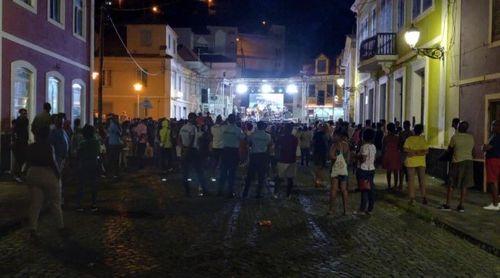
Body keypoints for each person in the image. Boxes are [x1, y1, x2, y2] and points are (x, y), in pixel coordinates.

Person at [25, 127, 64, 240]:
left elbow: (27, 161)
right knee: (55, 202)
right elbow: (52, 161)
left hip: (33, 173)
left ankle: (32, 229)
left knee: (35, 203)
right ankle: (60, 226)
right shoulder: (48, 146)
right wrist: (58, 175)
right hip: (47, 173)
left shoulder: (31, 147)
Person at [439, 121, 474, 212]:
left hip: (457, 162)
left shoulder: (455, 137)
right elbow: (473, 152)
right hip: (469, 162)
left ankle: (448, 205)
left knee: (451, 184)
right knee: (464, 185)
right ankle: (461, 206)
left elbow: (449, 150)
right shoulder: (471, 138)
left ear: (459, 127)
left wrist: (440, 158)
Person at [179, 113, 208, 197]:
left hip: (184, 149)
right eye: (195, 118)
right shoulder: (193, 128)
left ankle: (186, 191)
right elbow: (191, 141)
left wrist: (183, 149)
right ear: (193, 118)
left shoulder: (183, 127)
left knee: (185, 172)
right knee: (199, 170)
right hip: (192, 151)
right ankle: (204, 189)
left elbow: (179, 139)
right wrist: (187, 150)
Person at [242, 121, 272, 199]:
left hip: (254, 156)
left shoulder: (253, 135)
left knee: (250, 175)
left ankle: (245, 192)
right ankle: (258, 193)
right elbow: (269, 145)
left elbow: (248, 142)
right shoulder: (268, 136)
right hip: (263, 156)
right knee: (261, 175)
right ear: (264, 127)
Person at [217, 114, 245, 198]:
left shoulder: (223, 128)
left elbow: (219, 132)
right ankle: (230, 192)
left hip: (225, 151)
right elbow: (243, 138)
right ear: (235, 120)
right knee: (232, 173)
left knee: (223, 172)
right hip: (233, 152)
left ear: (228, 120)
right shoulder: (238, 130)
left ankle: (220, 191)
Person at [76, 125, 101, 212]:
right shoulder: (96, 142)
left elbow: (78, 154)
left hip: (83, 164)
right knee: (93, 185)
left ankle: (80, 205)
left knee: (81, 185)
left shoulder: (82, 143)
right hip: (94, 164)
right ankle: (93, 204)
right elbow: (99, 152)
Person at [404, 124, 429, 205]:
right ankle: (424, 197)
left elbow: (405, 149)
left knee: (411, 180)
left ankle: (412, 198)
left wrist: (413, 152)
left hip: (411, 161)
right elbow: (426, 151)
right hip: (421, 162)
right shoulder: (423, 140)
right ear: (421, 131)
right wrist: (419, 152)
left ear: (414, 130)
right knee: (422, 180)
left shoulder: (409, 139)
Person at [329, 128, 350, 215]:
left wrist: (337, 158)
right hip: (344, 170)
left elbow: (331, 156)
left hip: (335, 169)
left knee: (334, 190)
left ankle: (331, 209)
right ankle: (346, 210)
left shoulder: (334, 145)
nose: (333, 136)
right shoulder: (346, 145)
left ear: (338, 136)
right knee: (344, 190)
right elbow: (348, 158)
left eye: (334, 135)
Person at [275, 123, 298, 198]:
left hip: (282, 159)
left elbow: (277, 147)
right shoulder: (294, 138)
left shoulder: (281, 138)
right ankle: (288, 194)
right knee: (290, 178)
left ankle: (276, 192)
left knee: (279, 177)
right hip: (292, 159)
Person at [356, 129, 376, 214]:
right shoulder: (373, 146)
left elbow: (363, 159)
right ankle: (370, 208)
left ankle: (362, 209)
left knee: (364, 190)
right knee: (370, 189)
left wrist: (356, 156)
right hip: (371, 169)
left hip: (363, 170)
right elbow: (374, 158)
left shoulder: (364, 147)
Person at [483, 120, 500, 211]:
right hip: (496, 159)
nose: (492, 127)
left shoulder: (495, 137)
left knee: (492, 182)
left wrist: (484, 147)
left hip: (493, 160)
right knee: (495, 181)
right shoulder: (494, 136)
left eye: (494, 125)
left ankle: (495, 203)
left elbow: (486, 148)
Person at [382, 123, 401, 190]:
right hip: (396, 154)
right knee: (396, 171)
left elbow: (383, 148)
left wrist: (383, 156)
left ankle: (389, 185)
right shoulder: (397, 137)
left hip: (388, 154)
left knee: (389, 171)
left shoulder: (386, 137)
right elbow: (399, 147)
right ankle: (395, 185)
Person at [12, 108, 29, 183]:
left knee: (21, 159)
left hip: (23, 143)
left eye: (25, 113)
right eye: (23, 113)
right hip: (19, 143)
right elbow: (15, 132)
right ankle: (16, 175)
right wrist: (16, 140)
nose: (25, 115)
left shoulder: (24, 122)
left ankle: (17, 174)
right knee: (19, 159)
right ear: (20, 114)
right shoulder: (19, 122)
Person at [398, 121, 413, 191]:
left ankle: (401, 185)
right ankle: (408, 185)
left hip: (403, 154)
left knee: (402, 171)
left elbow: (399, 144)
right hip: (409, 154)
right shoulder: (412, 134)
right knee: (409, 171)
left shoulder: (401, 133)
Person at [107, 115, 122, 179]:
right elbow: (119, 133)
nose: (118, 119)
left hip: (112, 143)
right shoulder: (114, 125)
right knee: (115, 159)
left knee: (112, 159)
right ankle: (115, 173)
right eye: (117, 118)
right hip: (115, 143)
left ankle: (112, 173)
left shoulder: (111, 125)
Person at [210, 115, 224, 182]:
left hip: (214, 146)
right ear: (221, 121)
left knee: (215, 161)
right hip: (221, 147)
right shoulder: (223, 128)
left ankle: (213, 174)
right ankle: (220, 175)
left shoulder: (212, 128)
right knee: (221, 162)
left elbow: (212, 135)